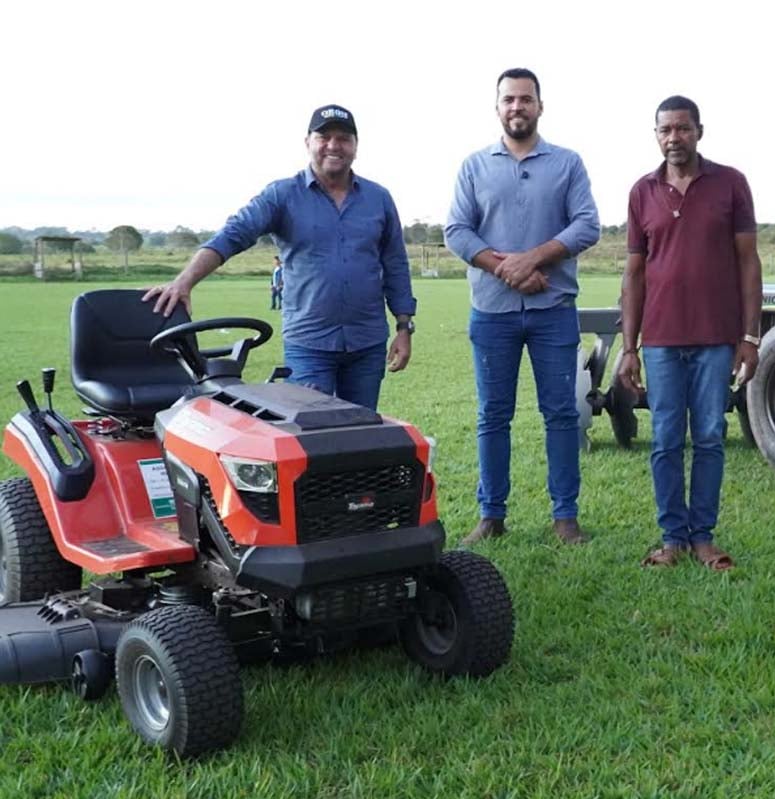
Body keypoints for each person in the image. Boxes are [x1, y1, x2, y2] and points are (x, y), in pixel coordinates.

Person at [143, 104, 415, 412]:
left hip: (367, 342)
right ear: (307, 142)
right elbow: (234, 234)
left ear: (355, 146)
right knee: (308, 433)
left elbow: (395, 263)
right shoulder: (282, 195)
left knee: (361, 429)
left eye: (343, 138)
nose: (333, 145)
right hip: (310, 343)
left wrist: (404, 327)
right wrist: (184, 281)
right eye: (323, 137)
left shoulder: (378, 198)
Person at [445, 68, 600, 546]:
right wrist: (504, 269)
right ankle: (491, 514)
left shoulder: (567, 164)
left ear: (540, 106)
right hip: (491, 312)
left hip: (553, 308)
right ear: (498, 108)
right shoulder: (474, 166)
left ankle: (565, 516)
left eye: (526, 99)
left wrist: (534, 258)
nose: (517, 107)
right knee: (493, 414)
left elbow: (587, 225)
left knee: (561, 413)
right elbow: (457, 231)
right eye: (509, 99)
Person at [617, 95, 762, 570]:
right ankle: (672, 539)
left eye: (682, 129)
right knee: (664, 439)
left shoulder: (731, 184)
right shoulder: (642, 192)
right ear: (656, 135)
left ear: (700, 131)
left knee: (709, 436)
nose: (673, 138)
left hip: (716, 339)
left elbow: (748, 262)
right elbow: (634, 274)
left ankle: (703, 538)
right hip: (659, 340)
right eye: (665, 130)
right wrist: (629, 347)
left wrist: (750, 336)